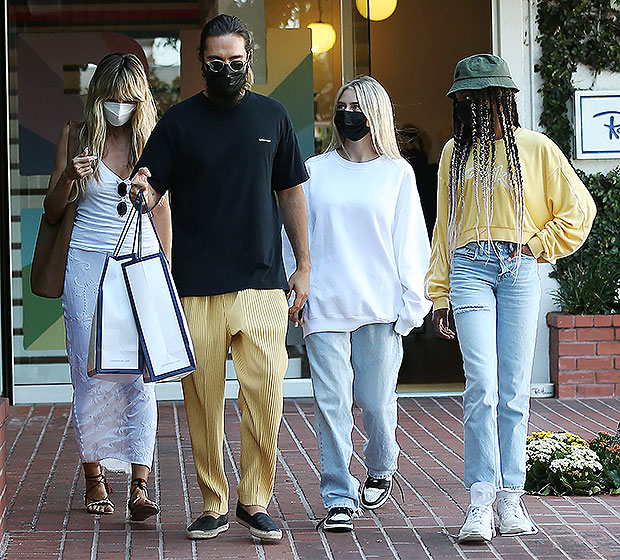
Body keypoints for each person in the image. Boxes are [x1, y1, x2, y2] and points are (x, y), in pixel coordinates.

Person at [129, 14, 310, 542]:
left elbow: (292, 193)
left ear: (248, 61)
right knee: (202, 403)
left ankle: (255, 499)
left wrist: (303, 265)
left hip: (261, 285)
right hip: (195, 287)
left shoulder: (273, 117)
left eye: (235, 62)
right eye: (216, 63)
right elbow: (150, 181)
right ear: (200, 63)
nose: (226, 70)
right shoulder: (179, 122)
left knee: (265, 399)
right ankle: (213, 500)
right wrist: (139, 186)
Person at [425, 54, 596, 543]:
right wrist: (439, 294)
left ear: (504, 98)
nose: (478, 105)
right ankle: (480, 501)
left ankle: (511, 499)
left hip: (519, 269)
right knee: (481, 384)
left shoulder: (536, 148)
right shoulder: (456, 154)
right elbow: (444, 229)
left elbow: (579, 210)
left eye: (486, 96)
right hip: (469, 268)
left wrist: (536, 245)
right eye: (468, 98)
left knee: (514, 388)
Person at [299, 76, 431, 532]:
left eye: (357, 105)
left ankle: (381, 464)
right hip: (326, 302)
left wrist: (413, 305)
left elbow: (412, 242)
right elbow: (296, 237)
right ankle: (338, 494)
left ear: (376, 113)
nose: (348, 113)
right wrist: (296, 289)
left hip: (379, 305)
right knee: (331, 404)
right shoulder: (315, 171)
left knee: (374, 401)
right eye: (342, 105)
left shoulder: (397, 173)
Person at [44, 53, 171, 520]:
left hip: (137, 267)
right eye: (111, 99)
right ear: (99, 98)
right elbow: (53, 208)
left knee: (140, 376)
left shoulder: (152, 143)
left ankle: (140, 484)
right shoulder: (77, 136)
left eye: (127, 100)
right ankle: (93, 476)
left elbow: (162, 212)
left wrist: (166, 279)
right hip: (85, 267)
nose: (119, 107)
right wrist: (70, 180)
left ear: (140, 101)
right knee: (90, 374)